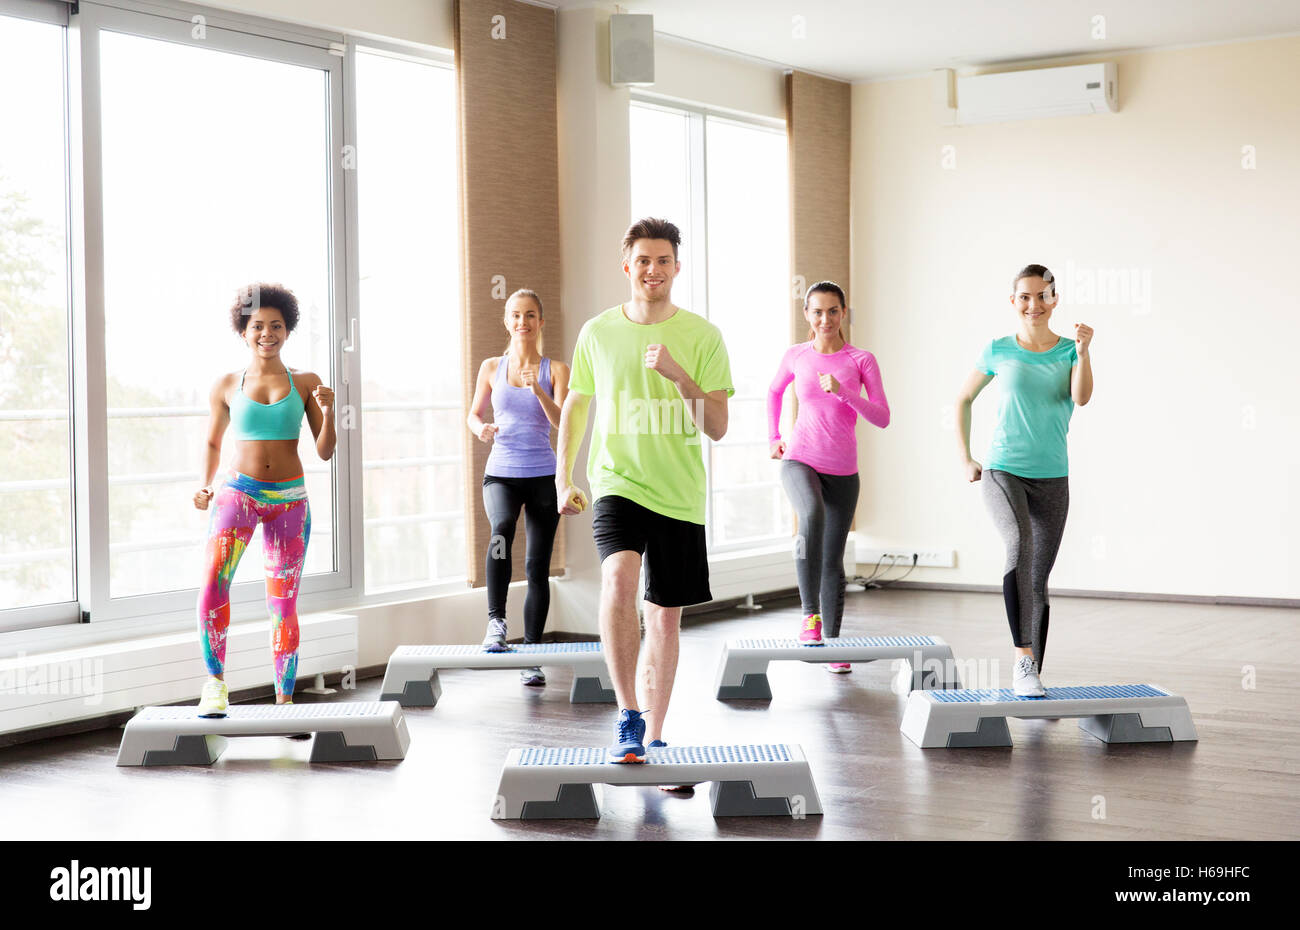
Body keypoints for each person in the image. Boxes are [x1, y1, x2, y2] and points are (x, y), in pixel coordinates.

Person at [555, 217, 733, 763]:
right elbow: (576, 405)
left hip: (678, 491)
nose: (652, 269)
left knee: (662, 616)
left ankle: (655, 734)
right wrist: (565, 476)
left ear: (677, 268)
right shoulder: (598, 332)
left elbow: (718, 426)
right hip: (617, 482)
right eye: (642, 260)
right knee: (618, 577)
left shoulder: (702, 336)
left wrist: (681, 377)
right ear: (626, 266)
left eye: (662, 260)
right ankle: (628, 715)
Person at [192, 283, 336, 717]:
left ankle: (285, 699)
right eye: (258, 326)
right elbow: (213, 443)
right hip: (238, 494)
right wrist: (204, 484)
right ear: (243, 331)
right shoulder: (226, 384)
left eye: (276, 325)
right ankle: (215, 685)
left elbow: (326, 450)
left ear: (287, 330)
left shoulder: (307, 383)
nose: (267, 333)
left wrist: (330, 414)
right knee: (215, 584)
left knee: (283, 601)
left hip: (290, 501)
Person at [955, 264, 1093, 696]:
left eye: (1041, 296)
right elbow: (962, 398)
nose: (1033, 304)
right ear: (1013, 301)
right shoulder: (998, 349)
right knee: (1020, 546)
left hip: (1053, 475)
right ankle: (1021, 662)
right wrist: (967, 458)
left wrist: (1086, 353)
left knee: (1039, 576)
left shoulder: (1070, 350)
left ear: (1054, 299)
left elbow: (1081, 397)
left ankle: (1032, 670)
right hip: (1003, 468)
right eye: (1024, 297)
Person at [768, 281, 890, 673]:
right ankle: (809, 617)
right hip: (800, 460)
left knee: (834, 560)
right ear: (807, 314)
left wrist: (843, 392)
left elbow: (882, 417)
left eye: (832, 311)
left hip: (844, 471)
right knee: (812, 516)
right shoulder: (796, 356)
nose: (825, 319)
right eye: (817, 311)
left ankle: (834, 644)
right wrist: (774, 437)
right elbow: (773, 393)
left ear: (843, 314)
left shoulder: (860, 359)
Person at [466, 289, 569, 685]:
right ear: (506, 321)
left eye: (530, 315)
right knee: (501, 530)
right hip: (502, 474)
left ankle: (531, 654)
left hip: (543, 476)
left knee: (536, 566)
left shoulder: (556, 370)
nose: (522, 322)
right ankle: (496, 623)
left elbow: (562, 423)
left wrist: (537, 390)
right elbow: (474, 414)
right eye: (515, 315)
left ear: (540, 322)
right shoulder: (491, 366)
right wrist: (482, 428)